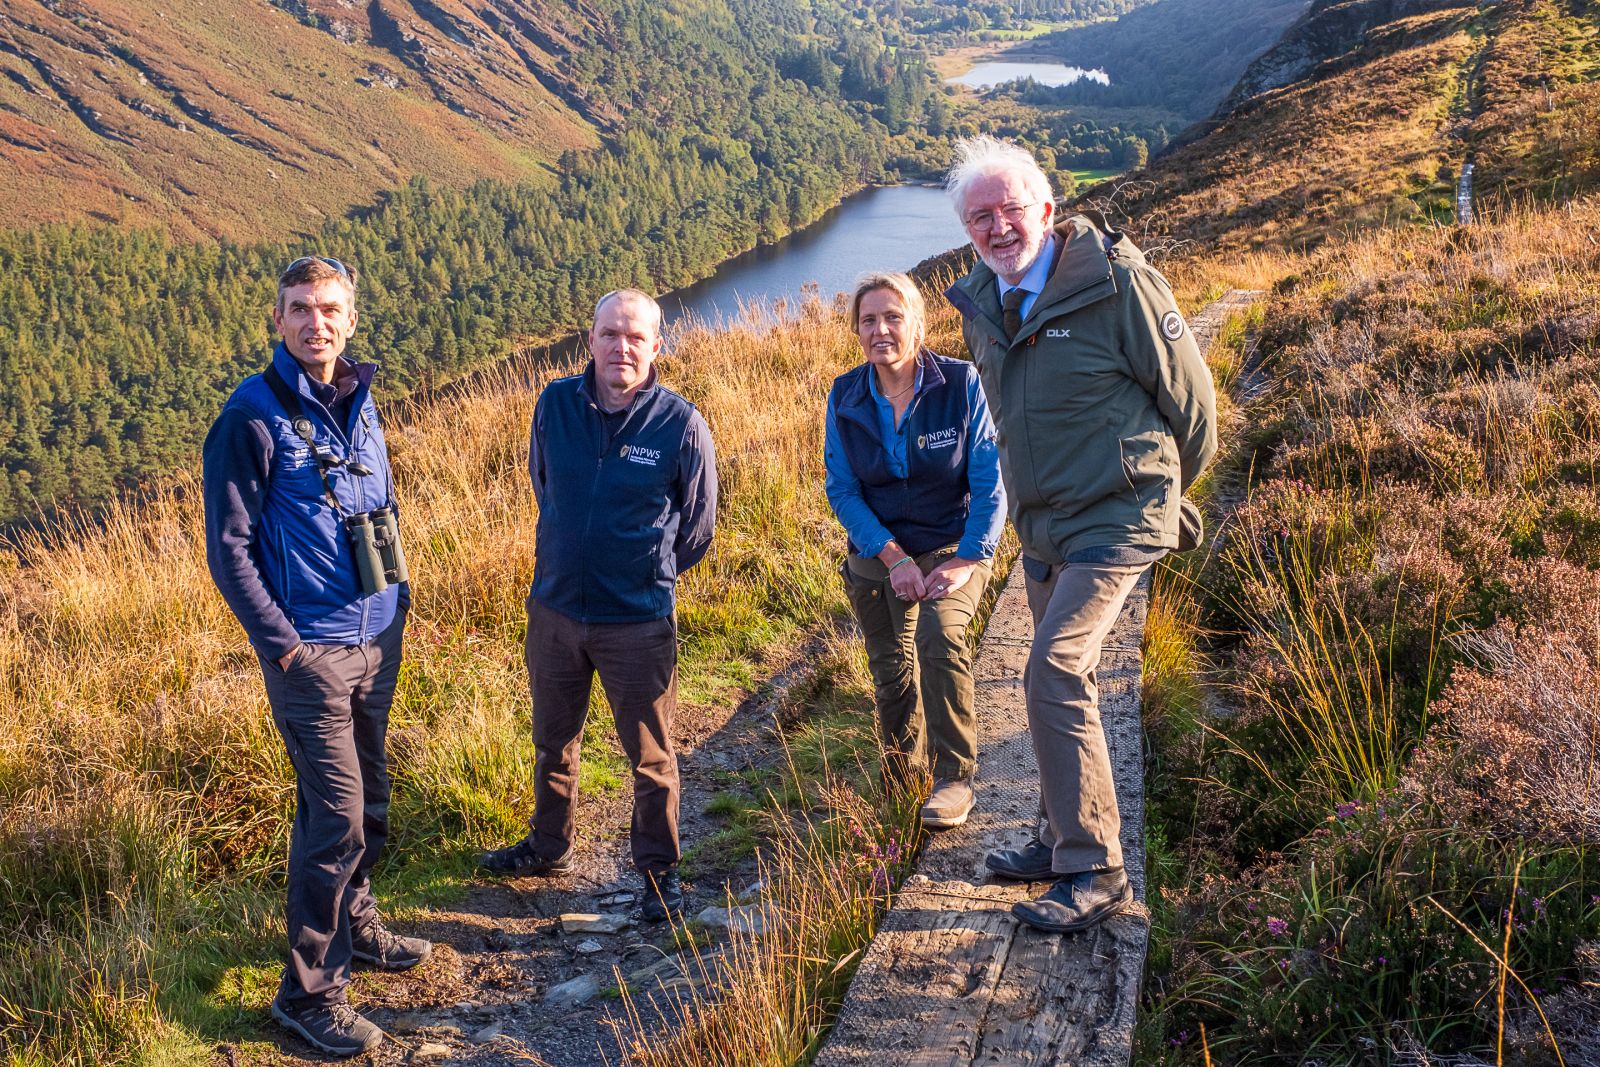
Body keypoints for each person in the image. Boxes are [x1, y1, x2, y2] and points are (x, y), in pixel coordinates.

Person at [942, 136, 1217, 934]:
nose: (998, 228)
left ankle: (1096, 868)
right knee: (1050, 679)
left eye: (1011, 209)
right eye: (980, 217)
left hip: (1116, 513)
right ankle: (1055, 834)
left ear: (1048, 210)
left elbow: (1193, 410)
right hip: (1046, 526)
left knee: (1054, 668)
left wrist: (1161, 499)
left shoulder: (1117, 282)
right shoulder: (984, 303)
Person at [204, 256, 431, 1057]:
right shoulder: (251, 416)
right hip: (311, 654)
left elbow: (380, 509)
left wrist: (397, 604)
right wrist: (286, 648)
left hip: (377, 637)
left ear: (351, 319)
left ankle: (358, 925)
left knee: (367, 800)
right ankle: (309, 992)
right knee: (333, 816)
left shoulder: (360, 401)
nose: (315, 322)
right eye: (299, 309)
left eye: (329, 308)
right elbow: (229, 551)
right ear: (277, 320)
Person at [478, 288, 717, 924]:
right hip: (555, 610)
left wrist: (646, 573)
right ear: (590, 340)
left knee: (651, 755)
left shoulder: (681, 425)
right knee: (553, 741)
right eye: (610, 334)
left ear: (657, 346)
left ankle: (660, 878)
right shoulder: (555, 404)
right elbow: (544, 487)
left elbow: (697, 529)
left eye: (636, 337)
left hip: (636, 621)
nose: (622, 347)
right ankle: (549, 847)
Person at [824, 272, 1005, 829]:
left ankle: (954, 778)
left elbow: (989, 479)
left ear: (918, 324)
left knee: (939, 634)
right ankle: (903, 775)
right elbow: (842, 489)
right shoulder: (846, 394)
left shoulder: (959, 384)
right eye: (869, 320)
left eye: (893, 317)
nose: (881, 329)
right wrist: (892, 556)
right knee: (890, 669)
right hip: (879, 552)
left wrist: (970, 556)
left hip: (954, 544)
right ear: (857, 331)